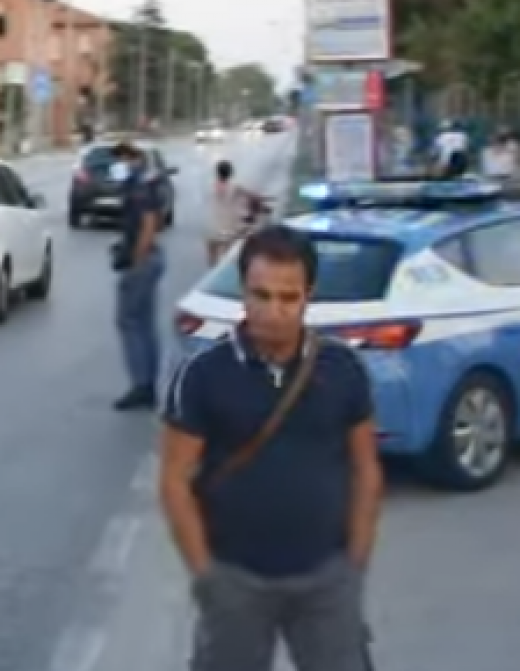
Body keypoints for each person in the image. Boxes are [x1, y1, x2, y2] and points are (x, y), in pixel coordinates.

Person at [160, 225, 384, 671]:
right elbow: (173, 481)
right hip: (236, 581)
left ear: (308, 296)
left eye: (288, 298)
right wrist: (207, 578)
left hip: (326, 581)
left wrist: (353, 567)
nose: (273, 312)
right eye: (260, 296)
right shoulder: (203, 375)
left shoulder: (343, 370)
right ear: (243, 294)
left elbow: (366, 470)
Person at [111, 140, 166, 411]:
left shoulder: (140, 185)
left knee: (129, 322)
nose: (118, 166)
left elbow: (148, 223)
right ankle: (149, 384)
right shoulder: (147, 180)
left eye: (120, 159)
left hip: (143, 261)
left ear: (131, 158)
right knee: (144, 323)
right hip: (152, 259)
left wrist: (136, 259)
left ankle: (141, 385)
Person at [207, 160, 268, 268]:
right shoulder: (235, 187)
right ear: (231, 173)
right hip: (227, 228)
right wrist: (263, 203)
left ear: (217, 172)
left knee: (212, 260)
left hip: (211, 226)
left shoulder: (210, 186)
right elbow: (252, 197)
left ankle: (213, 274)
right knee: (228, 258)